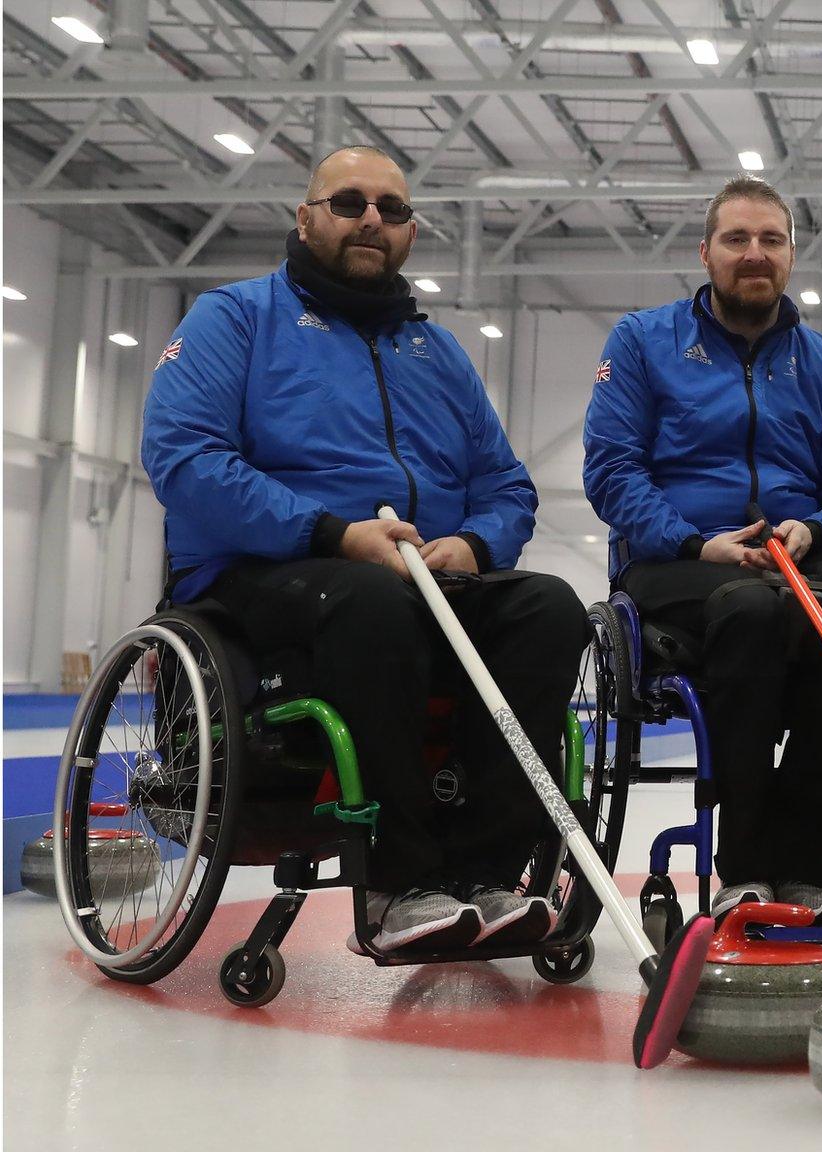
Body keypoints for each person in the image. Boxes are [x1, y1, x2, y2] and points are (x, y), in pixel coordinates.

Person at [141, 146, 586, 953]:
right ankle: (398, 883)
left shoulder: (438, 354)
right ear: (305, 218)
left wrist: (476, 544)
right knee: (372, 601)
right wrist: (332, 534)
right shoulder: (234, 318)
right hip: (265, 573)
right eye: (348, 203)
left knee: (548, 606)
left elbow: (507, 484)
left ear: (411, 231)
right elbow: (185, 458)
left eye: (393, 208)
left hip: (423, 575)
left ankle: (488, 875)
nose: (372, 219)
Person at [583, 176, 822, 922]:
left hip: (802, 560)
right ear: (707, 252)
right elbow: (613, 471)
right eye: (737, 239)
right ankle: (744, 869)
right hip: (679, 561)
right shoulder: (642, 341)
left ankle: (810, 868)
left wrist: (814, 528)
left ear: (791, 256)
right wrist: (696, 542)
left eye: (771, 240)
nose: (755, 254)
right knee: (749, 612)